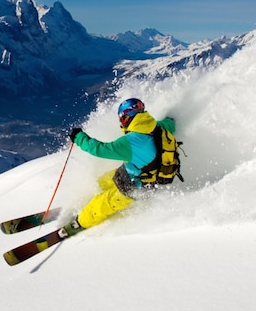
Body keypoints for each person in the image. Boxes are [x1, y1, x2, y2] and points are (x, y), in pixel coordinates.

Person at [59, 98, 177, 238]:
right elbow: (171, 124)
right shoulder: (157, 127)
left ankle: (78, 223)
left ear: (128, 117)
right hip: (133, 173)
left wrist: (79, 137)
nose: (121, 123)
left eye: (122, 119)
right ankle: (92, 197)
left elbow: (99, 149)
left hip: (133, 187)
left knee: (101, 204)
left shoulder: (130, 141)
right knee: (102, 181)